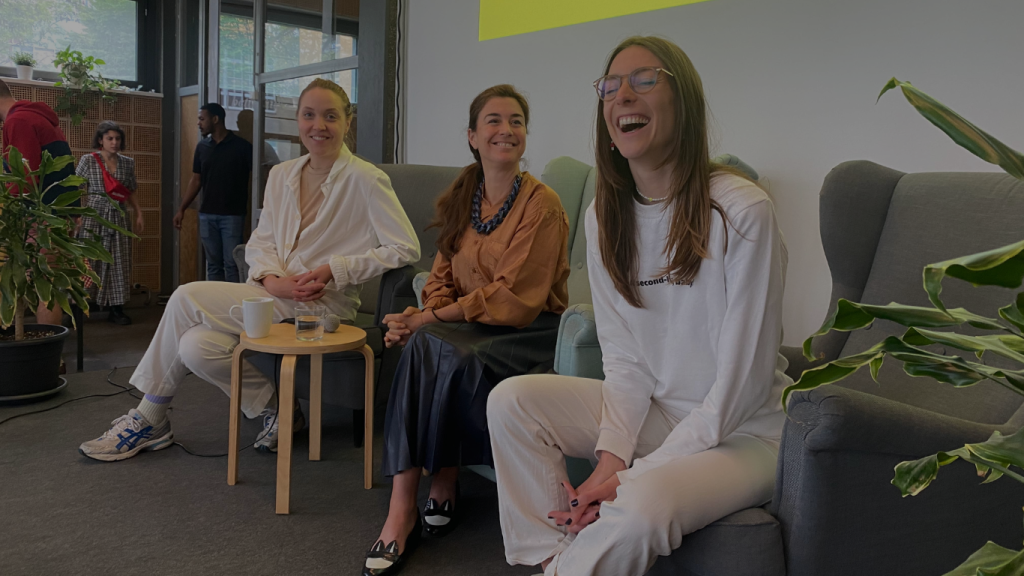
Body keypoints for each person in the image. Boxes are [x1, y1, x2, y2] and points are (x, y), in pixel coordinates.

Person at [486, 36, 791, 576]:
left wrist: (628, 478)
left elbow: (739, 390)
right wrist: (610, 458)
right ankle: (551, 560)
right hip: (663, 413)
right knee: (512, 401)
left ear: (684, 101)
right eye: (610, 86)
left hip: (746, 432)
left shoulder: (743, 212)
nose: (622, 95)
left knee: (641, 508)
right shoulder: (606, 216)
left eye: (644, 79)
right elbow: (625, 362)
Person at [79, 79, 420, 461]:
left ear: (348, 121)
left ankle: (149, 417)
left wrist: (332, 270)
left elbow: (405, 247)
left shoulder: (367, 179)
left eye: (330, 116)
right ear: (298, 119)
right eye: (309, 115)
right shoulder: (282, 174)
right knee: (195, 347)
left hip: (323, 308)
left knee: (186, 296)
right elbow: (261, 241)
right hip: (273, 296)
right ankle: (282, 411)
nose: (318, 126)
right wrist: (272, 280)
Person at [362, 84, 570, 576]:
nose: (507, 130)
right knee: (431, 345)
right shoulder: (464, 193)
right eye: (494, 121)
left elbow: (511, 297)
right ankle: (410, 503)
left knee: (436, 345)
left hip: (529, 329)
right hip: (470, 326)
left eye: (517, 121)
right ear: (473, 136)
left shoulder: (543, 204)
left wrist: (425, 320)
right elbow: (440, 275)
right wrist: (425, 313)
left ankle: (427, 492)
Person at [0, 78, 78, 329]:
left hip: (41, 217)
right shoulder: (37, 118)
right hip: (56, 214)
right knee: (48, 283)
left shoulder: (18, 121)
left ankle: (51, 361)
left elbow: (22, 180)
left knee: (46, 286)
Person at [173, 102, 252, 282]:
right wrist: (181, 209)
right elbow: (196, 180)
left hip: (232, 215)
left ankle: (232, 305)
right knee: (213, 264)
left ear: (215, 119)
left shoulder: (242, 147)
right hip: (207, 215)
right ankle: (214, 305)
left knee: (232, 263)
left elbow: (259, 178)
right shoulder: (202, 147)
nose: (199, 123)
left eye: (202, 119)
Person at [75, 121, 143, 325]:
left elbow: (130, 192)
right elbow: (76, 187)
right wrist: (75, 216)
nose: (114, 142)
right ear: (100, 140)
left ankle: (116, 308)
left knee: (119, 262)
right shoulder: (88, 160)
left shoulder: (128, 163)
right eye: (110, 138)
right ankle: (79, 307)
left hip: (119, 216)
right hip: (93, 214)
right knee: (88, 260)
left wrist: (139, 213)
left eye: (117, 139)